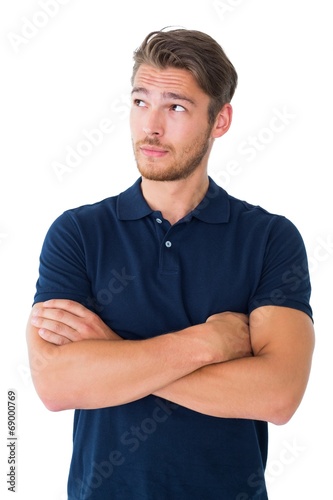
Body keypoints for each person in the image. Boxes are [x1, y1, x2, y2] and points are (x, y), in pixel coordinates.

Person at [26, 28, 315, 499]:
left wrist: (114, 356)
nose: (150, 127)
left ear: (219, 121)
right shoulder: (78, 233)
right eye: (141, 102)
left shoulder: (269, 238)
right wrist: (204, 344)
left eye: (175, 107)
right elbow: (57, 384)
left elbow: (278, 396)